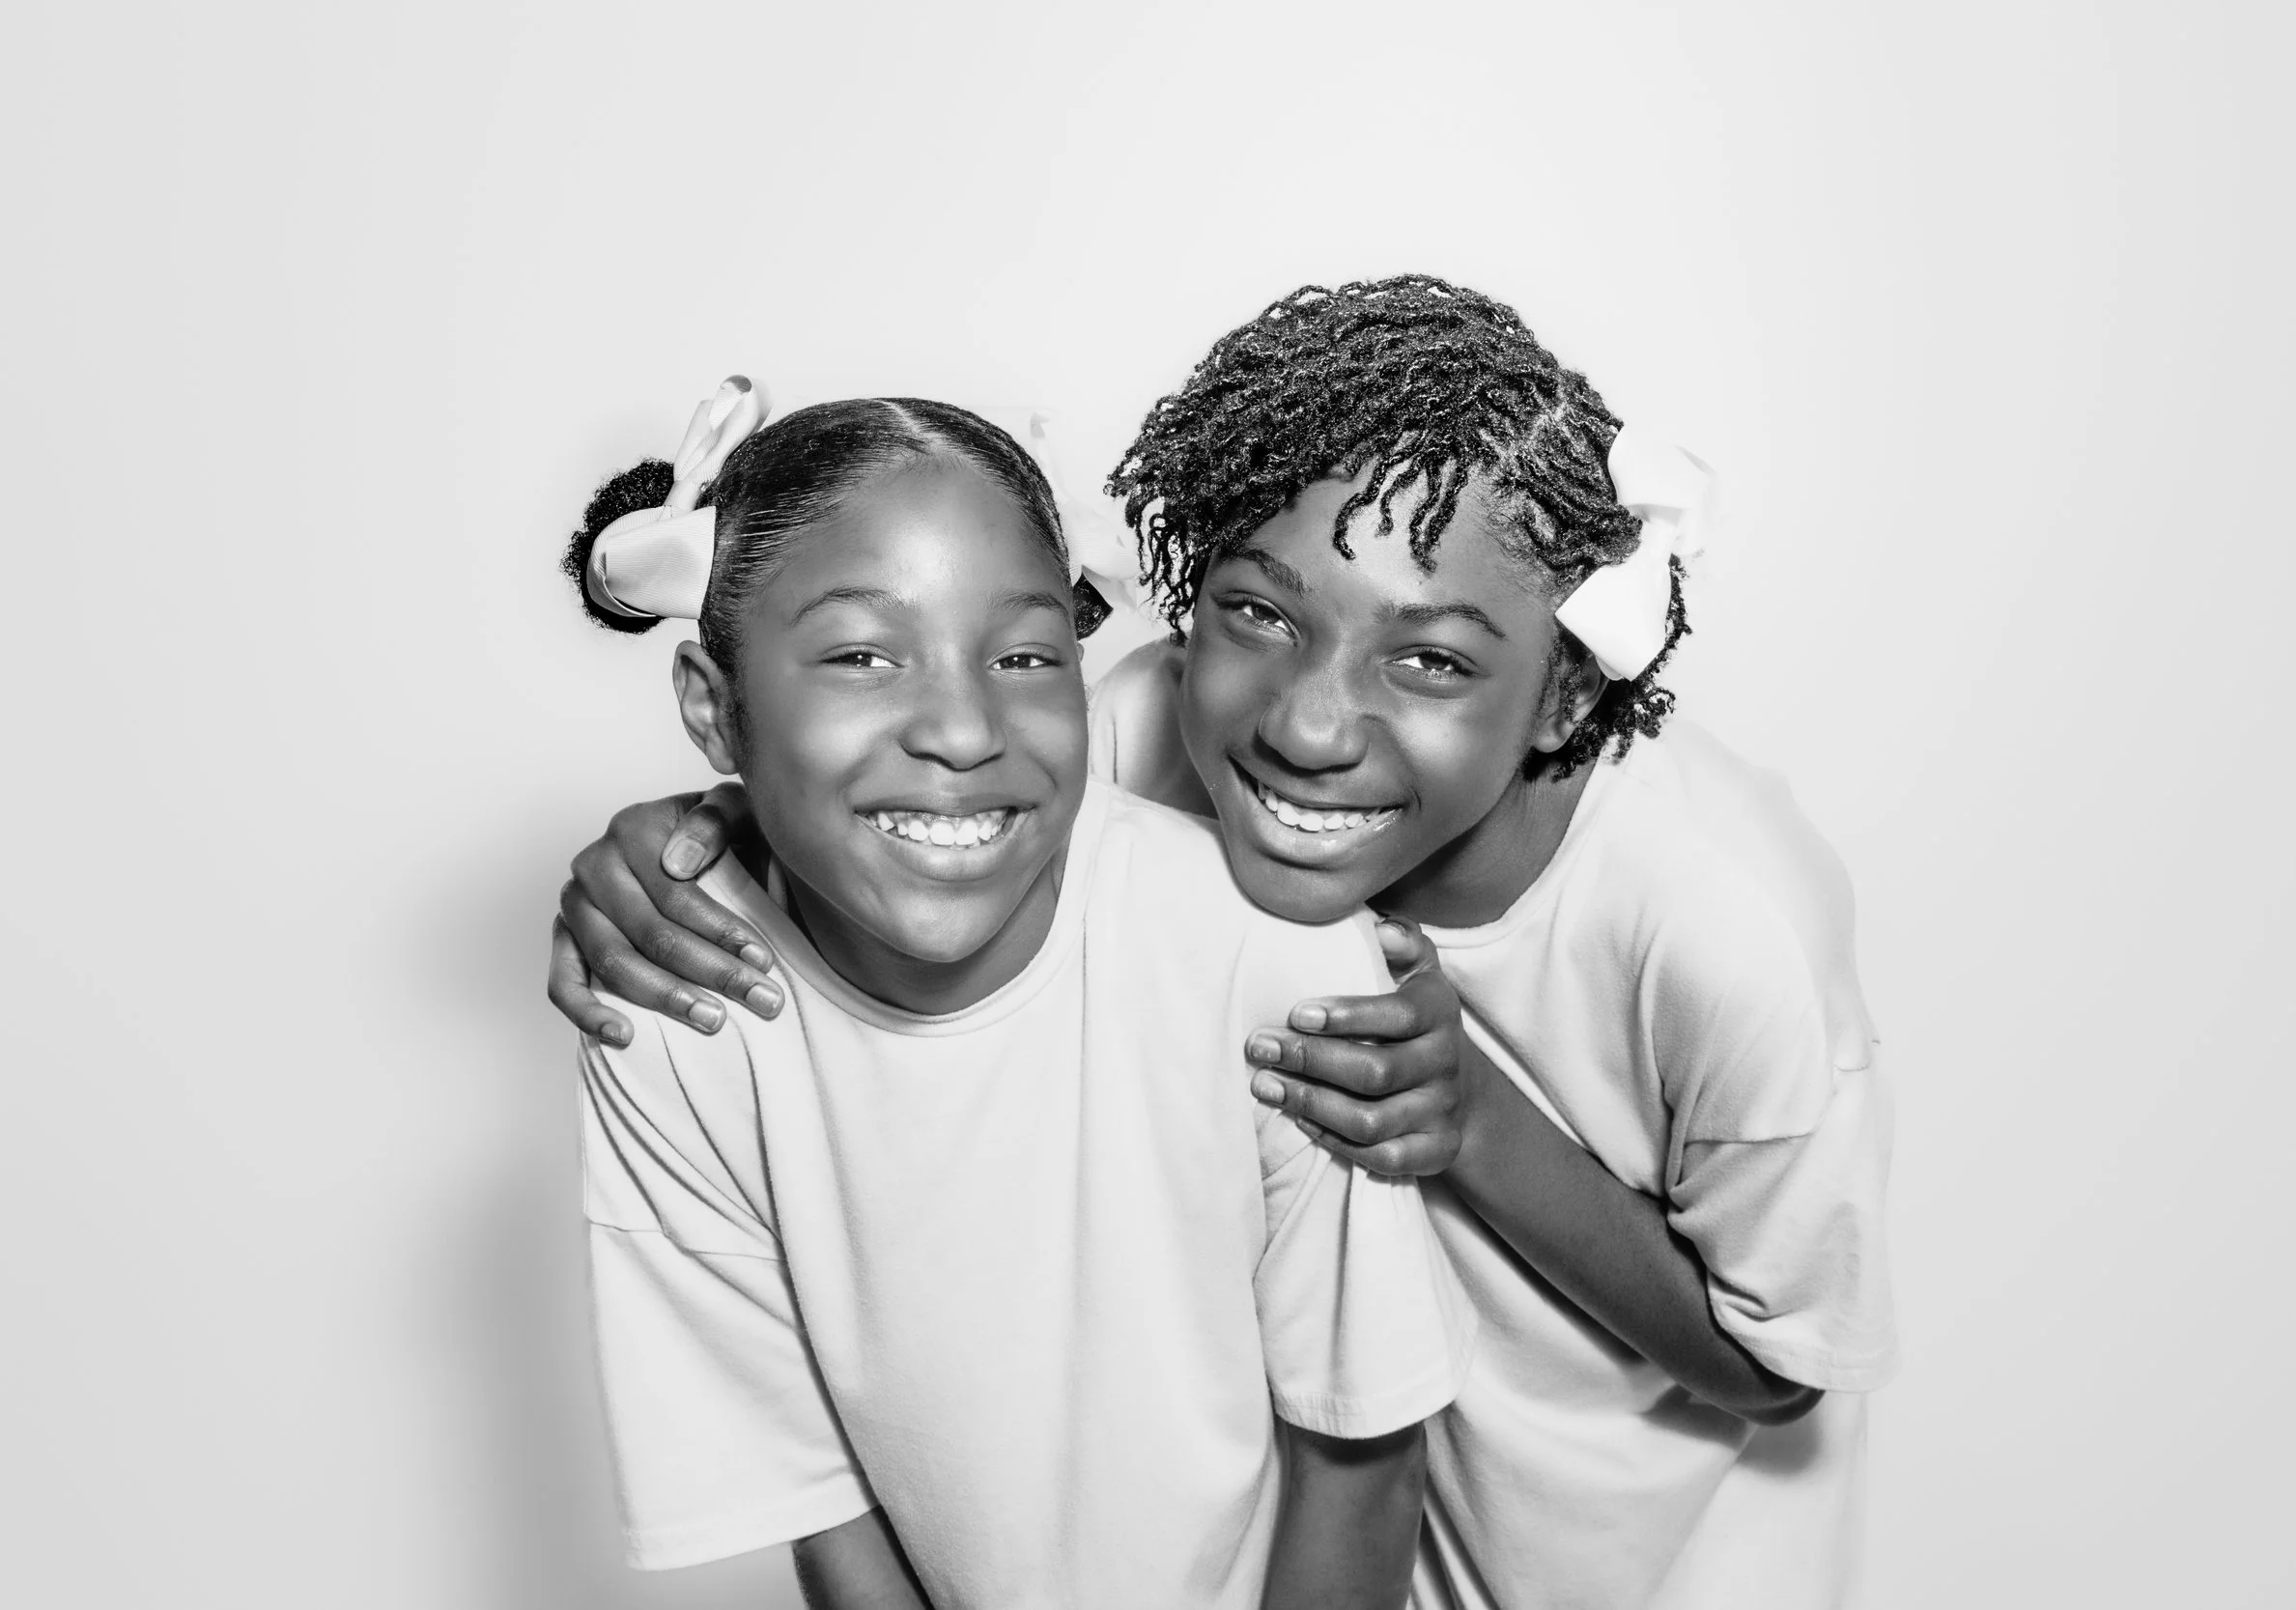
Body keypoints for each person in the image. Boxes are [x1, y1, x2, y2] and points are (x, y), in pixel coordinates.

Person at [556, 278, 1896, 1608]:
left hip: (1651, 1565)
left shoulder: (1726, 927)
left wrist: (1475, 1119)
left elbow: (1779, 1365)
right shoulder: (1147, 737)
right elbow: (944, 793)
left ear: (1564, 690)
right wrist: (700, 841)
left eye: (1431, 659)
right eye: (1259, 612)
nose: (1306, 727)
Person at [564, 383, 1473, 1609]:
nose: (960, 727)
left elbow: (1357, 1449)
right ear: (712, 708)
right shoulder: (678, 1011)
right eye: (861, 655)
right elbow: (820, 1504)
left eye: (1024, 656)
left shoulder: (1272, 961)